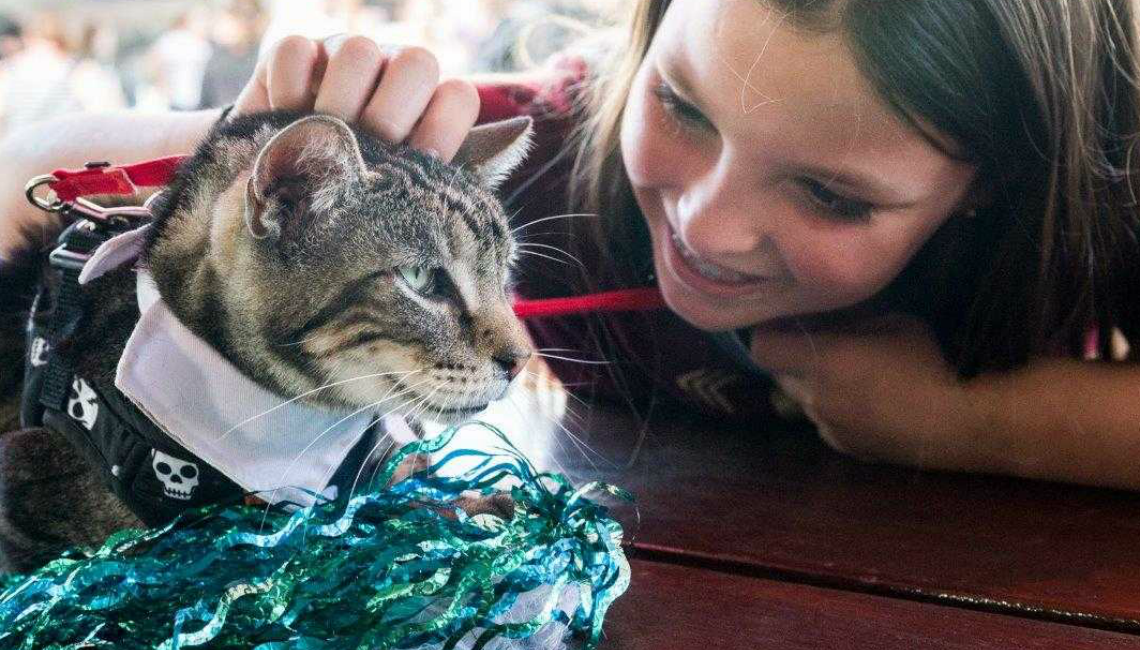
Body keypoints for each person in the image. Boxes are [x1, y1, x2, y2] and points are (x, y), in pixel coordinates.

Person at [3, 0, 1140, 491]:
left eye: (833, 197)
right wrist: (227, 155)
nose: (701, 223)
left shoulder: (1093, 202)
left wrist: (980, 423)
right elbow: (25, 174)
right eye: (684, 109)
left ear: (998, 186)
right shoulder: (541, 151)